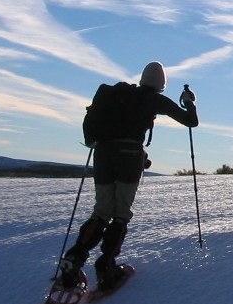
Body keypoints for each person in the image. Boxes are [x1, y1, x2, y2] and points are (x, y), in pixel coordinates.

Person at [58, 61, 198, 290]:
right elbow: (191, 122)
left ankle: (73, 258)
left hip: (102, 154)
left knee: (101, 211)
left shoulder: (117, 95)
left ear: (142, 78)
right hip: (129, 157)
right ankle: (106, 267)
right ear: (161, 84)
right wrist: (190, 102)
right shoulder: (154, 99)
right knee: (120, 214)